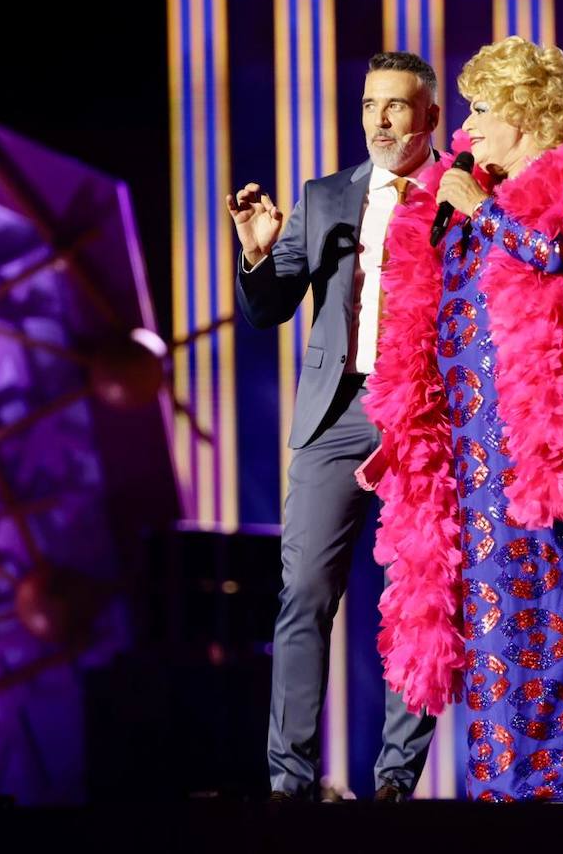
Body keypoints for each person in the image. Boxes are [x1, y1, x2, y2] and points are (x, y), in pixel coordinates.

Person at [360, 36, 563, 801]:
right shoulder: (476, 199)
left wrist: (481, 212)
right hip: (470, 455)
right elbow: (437, 329)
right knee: (490, 627)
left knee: (545, 614)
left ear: (526, 109)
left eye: (479, 111)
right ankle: (502, 790)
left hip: (534, 445)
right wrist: (405, 434)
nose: (465, 131)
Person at [226, 51, 441, 802]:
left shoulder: (463, 194)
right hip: (334, 413)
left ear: (430, 118)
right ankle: (290, 781)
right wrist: (258, 254)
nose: (380, 120)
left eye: (397, 106)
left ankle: (394, 782)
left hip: (423, 417)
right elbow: (269, 309)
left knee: (420, 597)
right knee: (304, 594)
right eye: (369, 104)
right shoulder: (324, 197)